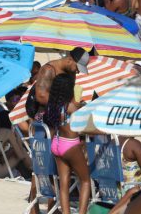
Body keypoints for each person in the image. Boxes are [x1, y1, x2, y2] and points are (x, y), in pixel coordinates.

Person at [43, 73, 90, 214]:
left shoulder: (52, 106)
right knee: (86, 180)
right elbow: (84, 123)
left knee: (63, 184)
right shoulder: (70, 106)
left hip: (57, 143)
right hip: (70, 144)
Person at [30, 47, 89, 114]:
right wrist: (65, 106)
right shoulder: (48, 70)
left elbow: (70, 91)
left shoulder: (71, 72)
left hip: (63, 114)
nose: (78, 72)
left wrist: (75, 104)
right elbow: (41, 96)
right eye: (77, 68)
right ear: (69, 60)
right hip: (46, 116)